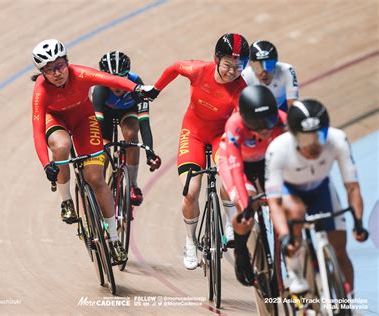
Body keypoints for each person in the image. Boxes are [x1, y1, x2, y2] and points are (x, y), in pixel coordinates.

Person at [31, 39, 157, 263]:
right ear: (42, 73)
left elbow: (111, 79)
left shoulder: (80, 74)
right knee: (61, 146)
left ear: (67, 62)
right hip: (56, 120)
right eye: (49, 70)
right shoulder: (41, 91)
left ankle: (114, 240)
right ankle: (66, 201)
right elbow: (38, 130)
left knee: (96, 178)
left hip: (83, 118)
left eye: (60, 65)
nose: (57, 73)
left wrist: (137, 88)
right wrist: (45, 164)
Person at [150, 33, 249, 269]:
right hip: (193, 132)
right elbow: (174, 68)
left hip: (219, 135)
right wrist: (155, 90)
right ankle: (190, 241)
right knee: (191, 192)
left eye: (239, 67)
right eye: (227, 65)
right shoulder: (198, 71)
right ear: (216, 59)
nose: (232, 71)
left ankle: (228, 224)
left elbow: (240, 120)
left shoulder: (241, 88)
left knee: (227, 178)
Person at [265, 99, 368, 294]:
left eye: (318, 137)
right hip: (290, 191)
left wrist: (358, 221)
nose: (313, 146)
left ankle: (349, 303)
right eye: (305, 140)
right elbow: (275, 203)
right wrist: (285, 235)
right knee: (295, 217)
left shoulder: (338, 139)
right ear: (293, 136)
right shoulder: (277, 149)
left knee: (340, 250)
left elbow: (353, 188)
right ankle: (295, 271)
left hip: (321, 189)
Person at [216, 85, 287, 285]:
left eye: (269, 123)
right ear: (246, 120)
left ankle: (282, 264)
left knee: (282, 205)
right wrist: (246, 203)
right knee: (246, 205)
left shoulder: (282, 120)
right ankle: (241, 253)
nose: (265, 129)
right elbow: (236, 170)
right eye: (258, 125)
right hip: (236, 163)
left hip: (265, 160)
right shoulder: (235, 125)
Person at [92, 51, 161, 206]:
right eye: (112, 80)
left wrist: (150, 152)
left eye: (121, 78)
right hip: (105, 115)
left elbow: (144, 123)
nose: (117, 85)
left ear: (127, 76)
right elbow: (97, 126)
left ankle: (133, 185)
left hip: (127, 111)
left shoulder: (137, 84)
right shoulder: (99, 89)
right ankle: (99, 190)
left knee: (131, 134)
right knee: (101, 150)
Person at [241, 40, 299, 112]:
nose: (264, 73)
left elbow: (292, 106)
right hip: (258, 111)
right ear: (250, 65)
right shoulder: (245, 76)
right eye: (257, 67)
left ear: (276, 62)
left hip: (282, 106)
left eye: (269, 66)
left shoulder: (287, 70)